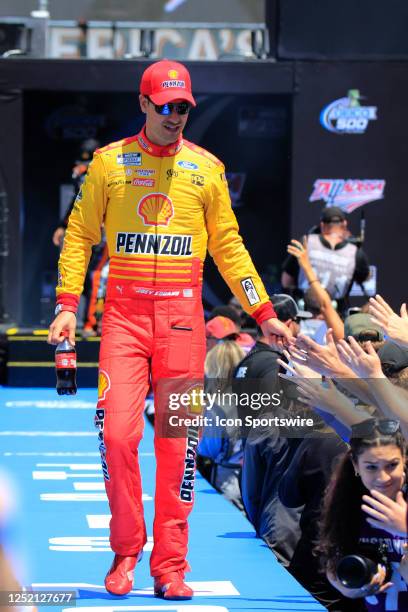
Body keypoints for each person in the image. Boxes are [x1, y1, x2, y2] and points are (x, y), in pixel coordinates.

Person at [47, 59, 291, 599]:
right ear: (144, 103)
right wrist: (67, 303)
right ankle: (126, 549)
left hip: (182, 326)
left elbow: (230, 247)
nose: (176, 115)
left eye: (184, 107)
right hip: (125, 323)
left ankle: (171, 566)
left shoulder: (207, 169)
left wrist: (265, 314)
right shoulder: (109, 164)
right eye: (166, 105)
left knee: (177, 445)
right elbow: (79, 237)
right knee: (116, 437)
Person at [316, 418, 408, 611]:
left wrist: (404, 529)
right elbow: (333, 563)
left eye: (392, 465)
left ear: (404, 460)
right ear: (356, 466)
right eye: (371, 467)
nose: (382, 477)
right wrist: (351, 588)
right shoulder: (346, 504)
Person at [282, 207, 369, 314]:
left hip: (305, 314)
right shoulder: (355, 251)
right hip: (337, 318)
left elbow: (286, 280)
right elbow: (365, 277)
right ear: (345, 224)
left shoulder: (306, 242)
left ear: (322, 225)